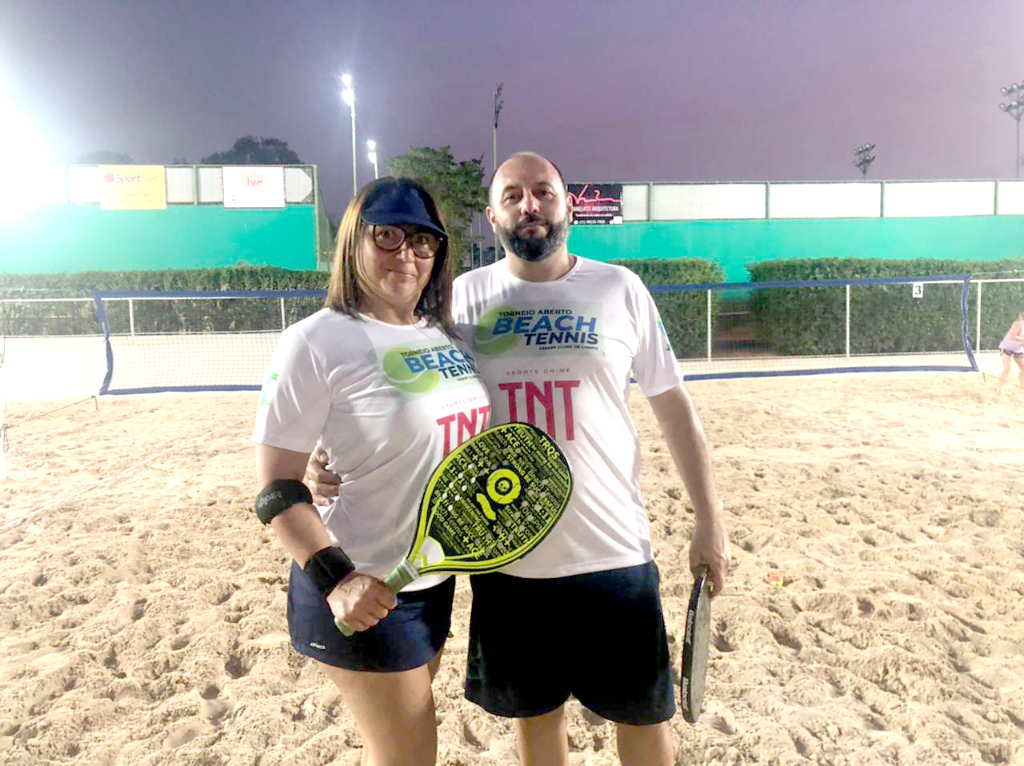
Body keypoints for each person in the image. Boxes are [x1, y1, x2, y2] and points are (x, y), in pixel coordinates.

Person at [307, 152, 730, 766]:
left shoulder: (621, 289)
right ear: (493, 214)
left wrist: (709, 518)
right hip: (503, 556)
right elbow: (406, 388)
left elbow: (676, 412)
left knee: (643, 717)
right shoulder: (460, 300)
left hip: (614, 552)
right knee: (535, 723)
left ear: (567, 206)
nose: (529, 205)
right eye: (512, 195)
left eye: (542, 192)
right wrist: (334, 452)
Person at [252, 177, 491, 766]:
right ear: (355, 240)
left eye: (422, 241)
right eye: (387, 235)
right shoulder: (314, 341)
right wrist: (340, 580)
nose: (405, 253)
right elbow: (276, 489)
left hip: (433, 578)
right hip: (361, 584)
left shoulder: (440, 333)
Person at [997, 311, 1024, 392]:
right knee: (1007, 368)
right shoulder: (1019, 323)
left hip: (1017, 349)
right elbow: (1012, 336)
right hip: (1006, 348)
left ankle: (1022, 387)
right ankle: (999, 389)